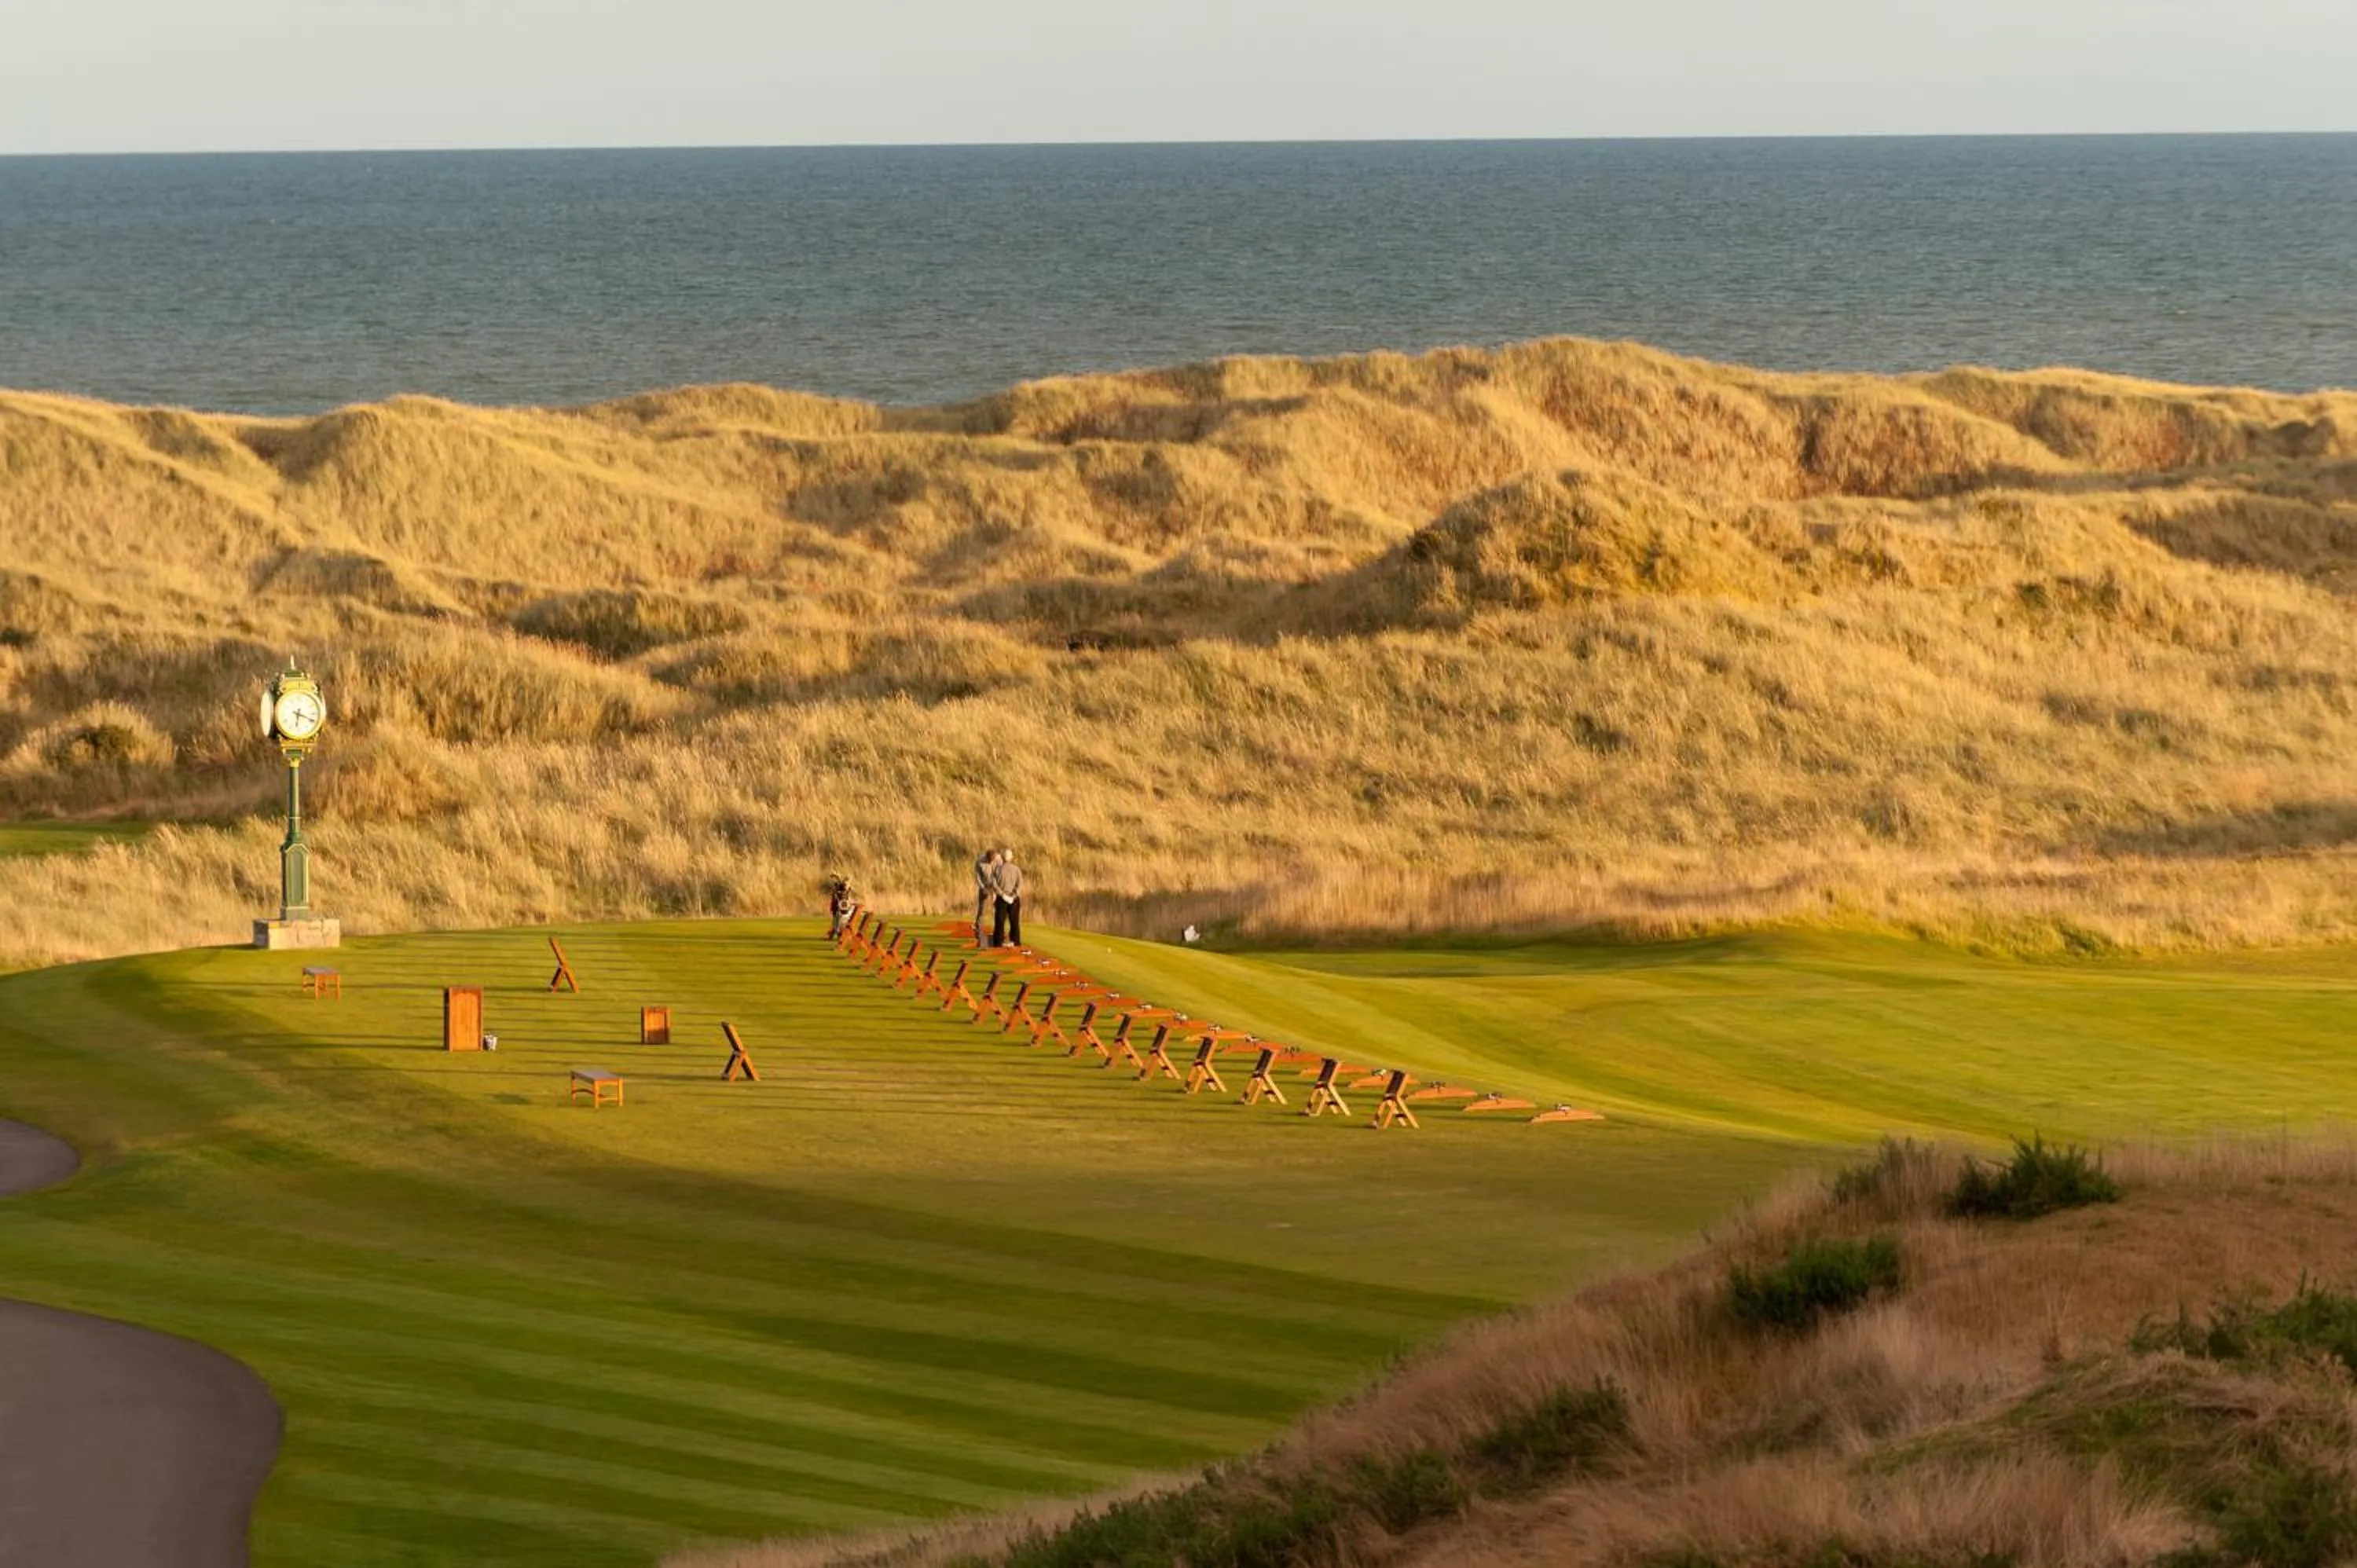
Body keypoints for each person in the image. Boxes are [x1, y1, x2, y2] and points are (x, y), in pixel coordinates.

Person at [991, 848, 1024, 948]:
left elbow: (994, 884)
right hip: (1013, 899)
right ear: (1011, 857)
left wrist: (1002, 895)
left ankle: (998, 943)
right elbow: (1020, 883)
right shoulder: (1016, 869)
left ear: (1003, 857)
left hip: (1001, 899)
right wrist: (1013, 895)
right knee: (1014, 922)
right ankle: (1016, 942)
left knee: (999, 922)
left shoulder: (997, 869)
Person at [973, 848, 1000, 944]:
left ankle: (998, 930)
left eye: (992, 860)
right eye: (989, 860)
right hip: (984, 885)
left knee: (998, 908)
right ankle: (978, 928)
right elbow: (977, 876)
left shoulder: (998, 860)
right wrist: (983, 887)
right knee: (982, 908)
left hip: (996, 886)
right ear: (986, 857)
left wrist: (996, 890)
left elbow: (999, 874)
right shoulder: (980, 860)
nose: (990, 862)